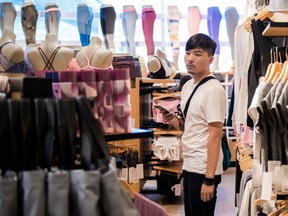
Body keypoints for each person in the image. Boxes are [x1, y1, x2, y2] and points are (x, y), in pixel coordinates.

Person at [161, 33, 227, 216]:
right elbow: (187, 127)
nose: (190, 59)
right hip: (189, 163)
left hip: (204, 168)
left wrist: (209, 180)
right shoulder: (188, 85)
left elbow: (214, 137)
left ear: (210, 59)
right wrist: (171, 118)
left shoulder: (214, 90)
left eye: (198, 54)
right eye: (188, 53)